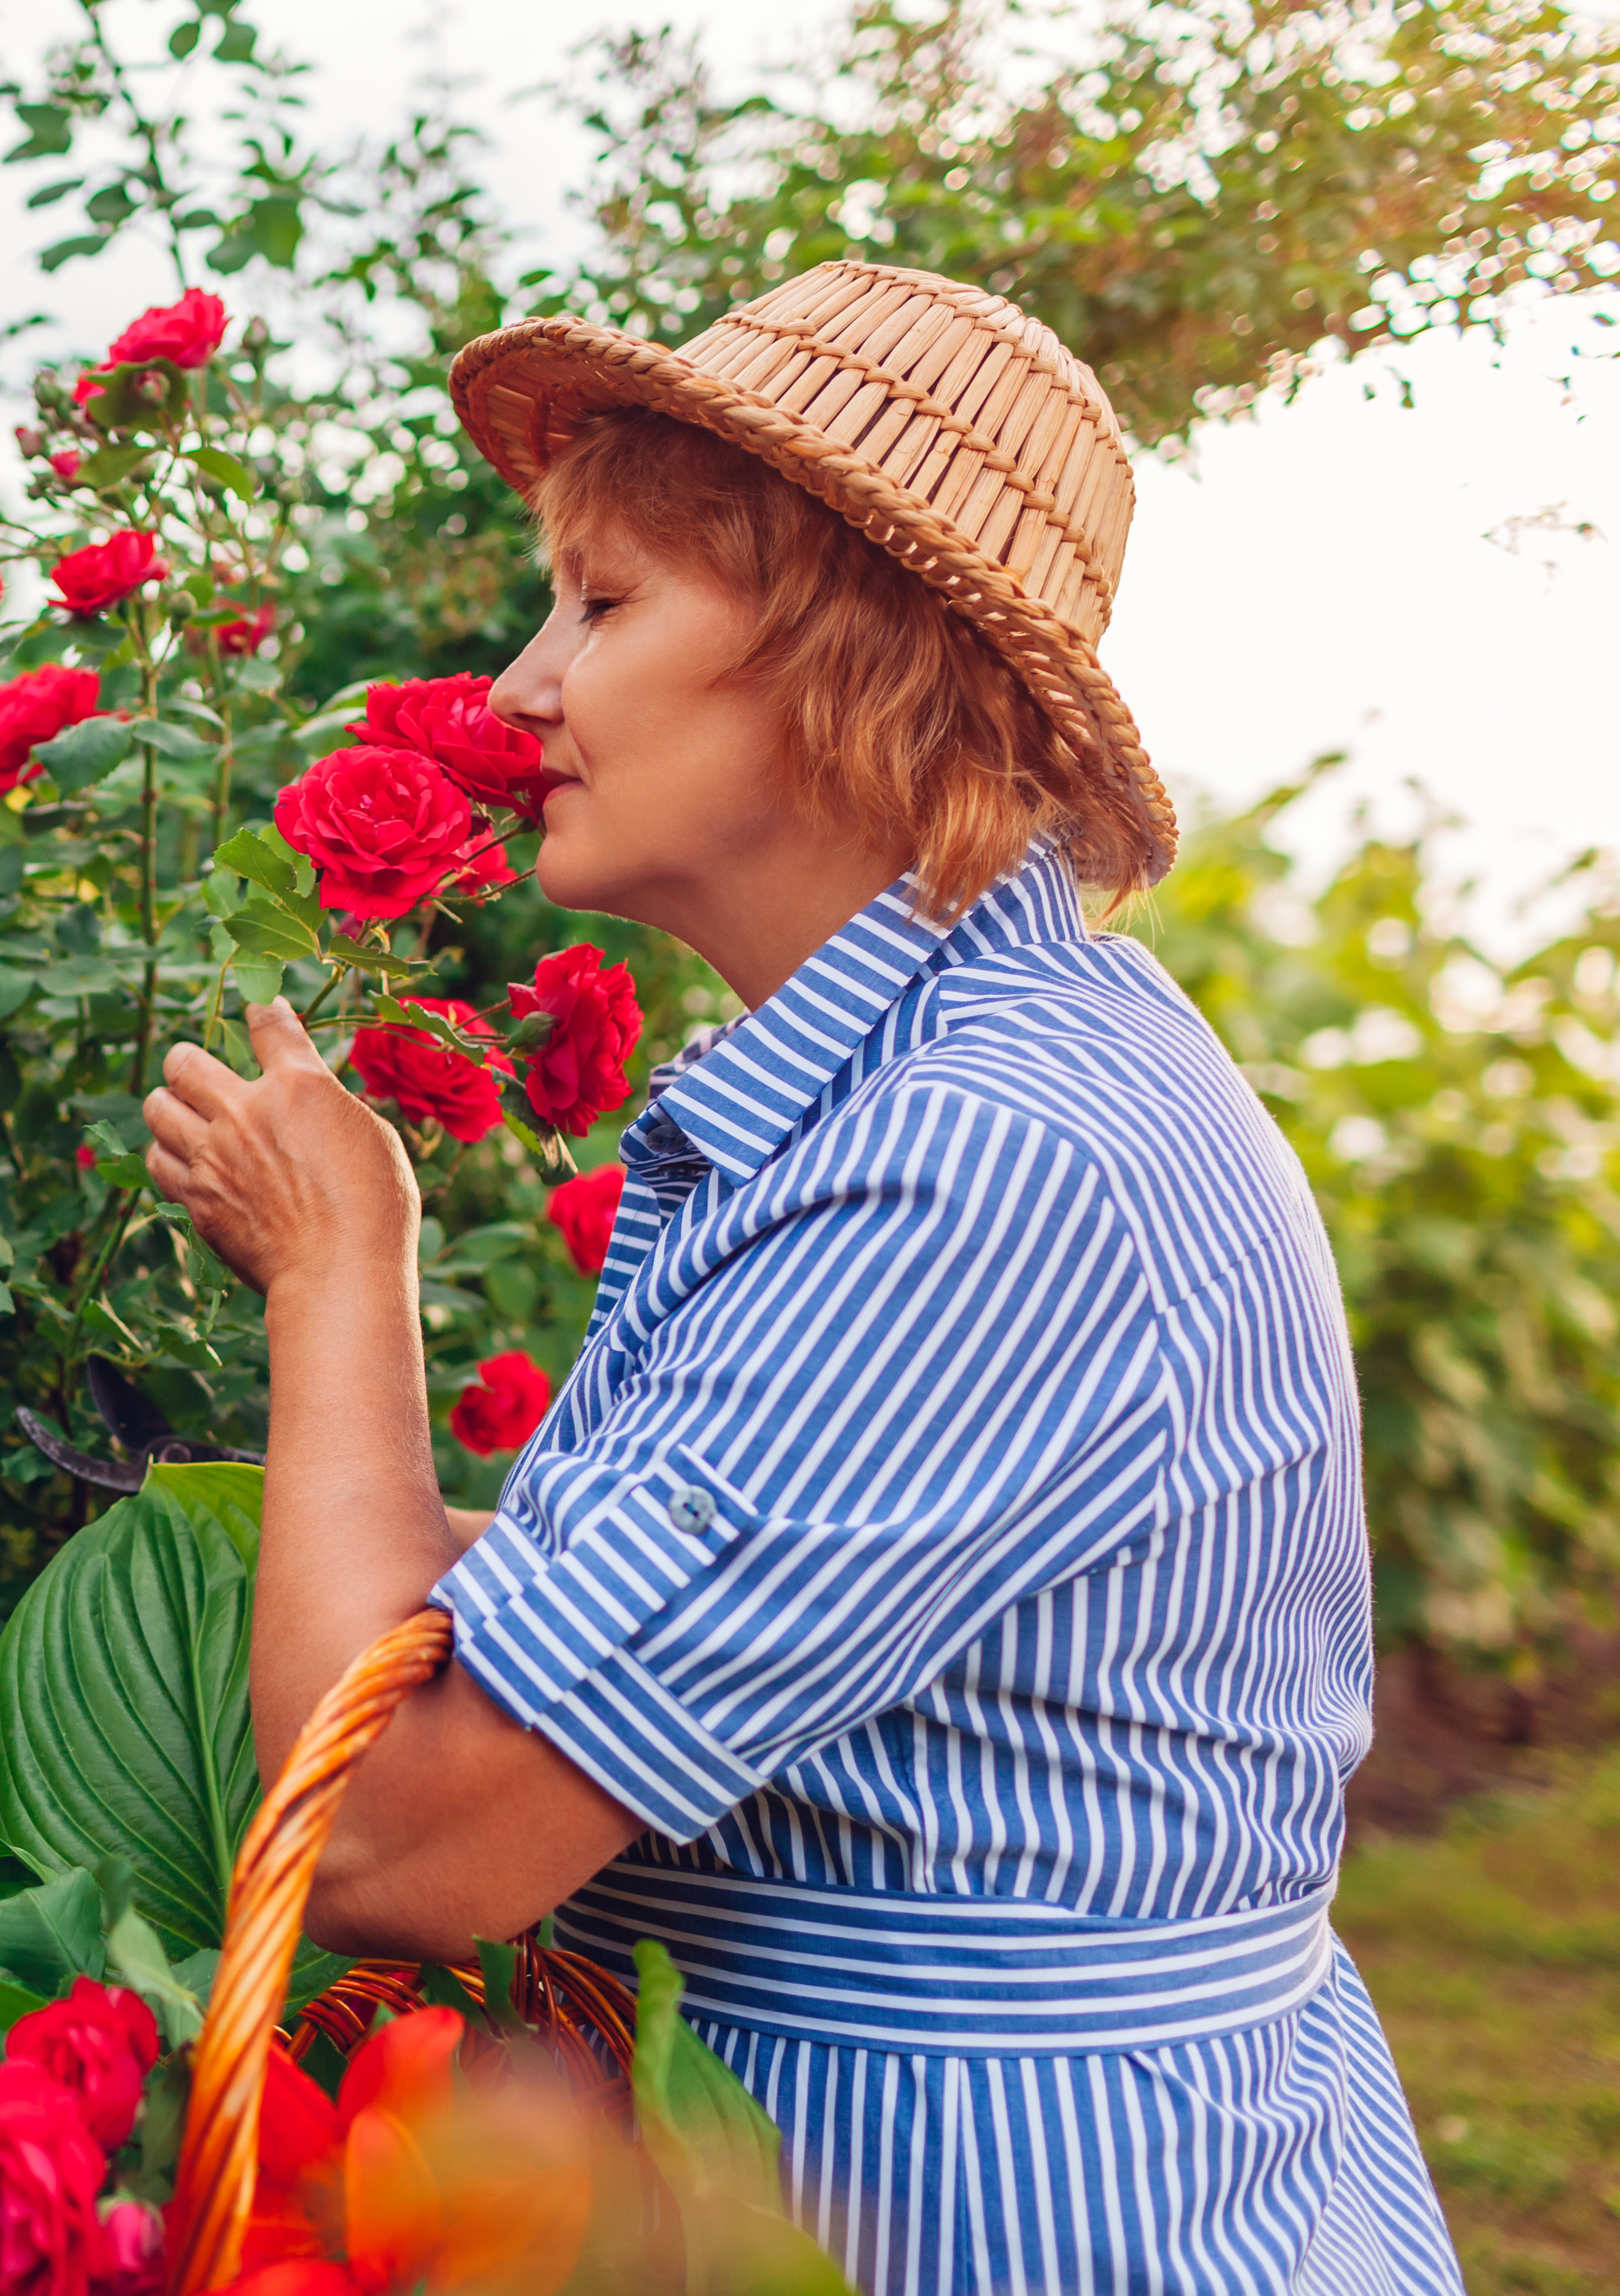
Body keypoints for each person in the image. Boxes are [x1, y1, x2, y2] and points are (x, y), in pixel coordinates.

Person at [143, 262, 1461, 2295]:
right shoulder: (963, 1071)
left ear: (855, 648)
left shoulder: (974, 1169)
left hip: (984, 2218)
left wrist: (343, 1272)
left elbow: (405, 1842)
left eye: (603, 602)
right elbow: (777, 1603)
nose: (514, 686)